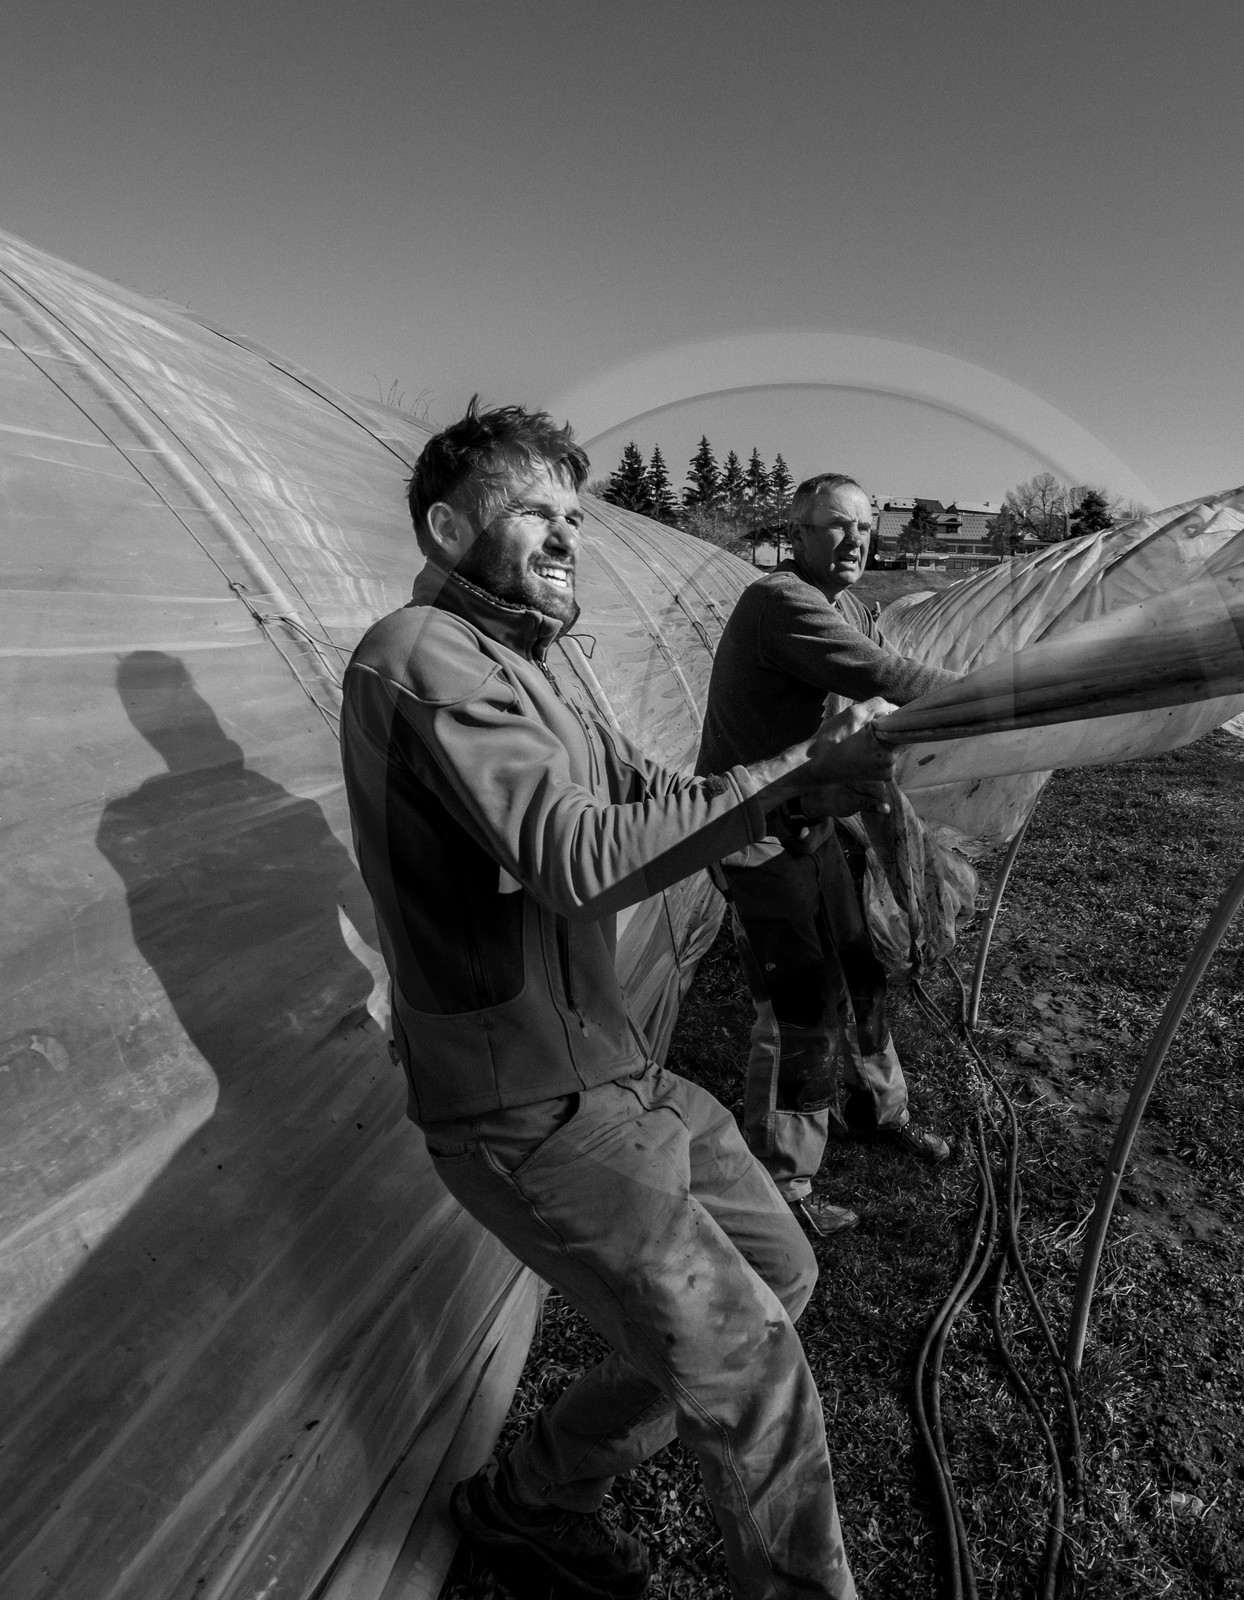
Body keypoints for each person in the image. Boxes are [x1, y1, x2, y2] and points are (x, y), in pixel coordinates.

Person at [340, 403, 889, 1600]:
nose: (564, 534)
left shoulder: (543, 654)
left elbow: (649, 791)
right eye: (534, 510)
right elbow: (572, 854)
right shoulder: (419, 656)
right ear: (446, 525)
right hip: (526, 1106)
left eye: (573, 516)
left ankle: (533, 1496)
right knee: (752, 1371)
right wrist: (794, 769)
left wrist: (793, 793)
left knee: (779, 1273)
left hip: (617, 1069)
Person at [698, 474, 961, 1238]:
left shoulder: (846, 605)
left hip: (810, 818)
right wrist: (1005, 697)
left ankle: (879, 1110)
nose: (856, 541)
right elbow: (887, 681)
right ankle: (784, 1184)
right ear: (800, 533)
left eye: (865, 527)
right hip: (753, 830)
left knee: (864, 974)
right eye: (837, 527)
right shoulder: (779, 602)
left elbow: (866, 707)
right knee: (800, 1009)